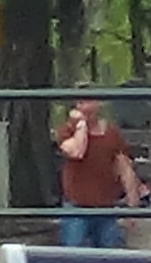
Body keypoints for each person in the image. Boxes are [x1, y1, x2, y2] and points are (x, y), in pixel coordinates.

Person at [55, 96, 144, 249]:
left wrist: (132, 205)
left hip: (106, 207)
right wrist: (81, 126)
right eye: (80, 102)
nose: (84, 107)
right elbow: (76, 151)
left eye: (88, 101)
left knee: (110, 254)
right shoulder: (67, 130)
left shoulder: (112, 133)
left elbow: (125, 168)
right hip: (76, 208)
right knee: (73, 254)